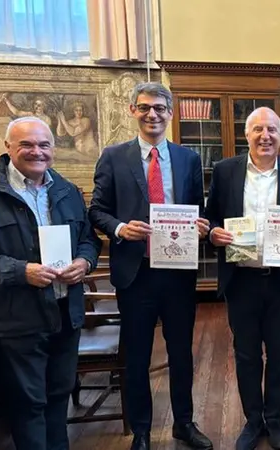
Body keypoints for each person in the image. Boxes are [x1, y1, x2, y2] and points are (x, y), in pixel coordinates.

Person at [0, 116, 102, 450]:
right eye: (26, 145)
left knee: (59, 396)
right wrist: (22, 272)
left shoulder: (66, 190)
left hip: (65, 314)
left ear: (54, 148)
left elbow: (88, 239)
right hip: (16, 319)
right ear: (8, 148)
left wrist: (84, 262)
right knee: (28, 403)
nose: (37, 152)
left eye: (44, 145)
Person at [88, 82, 213, 450]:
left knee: (181, 353)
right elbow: (96, 210)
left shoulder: (188, 159)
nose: (152, 114)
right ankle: (141, 430)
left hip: (176, 272)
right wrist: (120, 228)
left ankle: (184, 424)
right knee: (138, 355)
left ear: (170, 112)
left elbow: (196, 210)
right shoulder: (113, 157)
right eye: (144, 107)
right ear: (132, 111)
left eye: (159, 108)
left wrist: (202, 226)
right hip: (134, 273)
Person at [204, 106, 280, 450]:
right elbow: (211, 220)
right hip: (241, 281)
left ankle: (275, 418)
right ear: (247, 135)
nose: (265, 136)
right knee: (247, 355)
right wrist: (213, 234)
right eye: (258, 129)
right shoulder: (225, 171)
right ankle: (253, 420)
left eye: (272, 129)